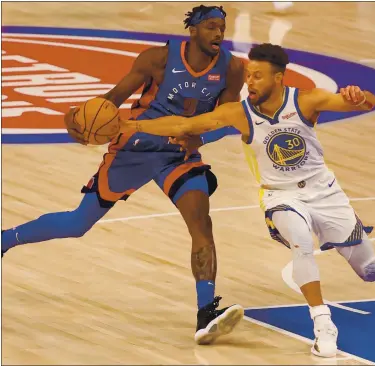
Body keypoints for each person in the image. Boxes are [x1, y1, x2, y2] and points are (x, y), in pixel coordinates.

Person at [1, 5, 245, 345]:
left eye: (223, 27)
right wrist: (81, 121)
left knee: (201, 222)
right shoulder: (157, 60)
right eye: (211, 27)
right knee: (77, 224)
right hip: (135, 148)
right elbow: (112, 101)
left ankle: (206, 313)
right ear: (194, 31)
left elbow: (229, 118)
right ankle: (5, 240)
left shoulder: (232, 69)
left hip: (179, 155)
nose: (219, 33)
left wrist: (200, 138)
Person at [119, 43, 375, 358]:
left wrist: (360, 96)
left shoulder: (308, 100)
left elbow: (367, 103)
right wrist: (130, 125)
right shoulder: (239, 113)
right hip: (279, 195)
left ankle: (347, 235)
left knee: (370, 271)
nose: (250, 82)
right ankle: (323, 324)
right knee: (301, 242)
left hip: (325, 192)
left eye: (258, 76)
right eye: (248, 75)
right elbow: (184, 125)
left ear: (279, 78)